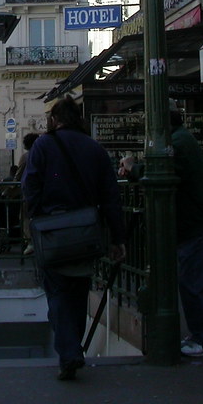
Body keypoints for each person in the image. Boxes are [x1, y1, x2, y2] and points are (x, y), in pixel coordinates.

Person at [21, 96, 126, 381]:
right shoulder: (95, 149)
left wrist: (36, 218)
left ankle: (69, 352)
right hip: (85, 231)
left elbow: (30, 186)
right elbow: (111, 197)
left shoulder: (43, 145)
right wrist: (118, 238)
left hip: (53, 230)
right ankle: (73, 347)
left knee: (56, 293)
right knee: (79, 292)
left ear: (54, 119)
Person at [168, 102, 203, 358]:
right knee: (201, 283)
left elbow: (166, 172)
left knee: (192, 282)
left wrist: (134, 169)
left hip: (195, 224)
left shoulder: (177, 144)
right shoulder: (183, 139)